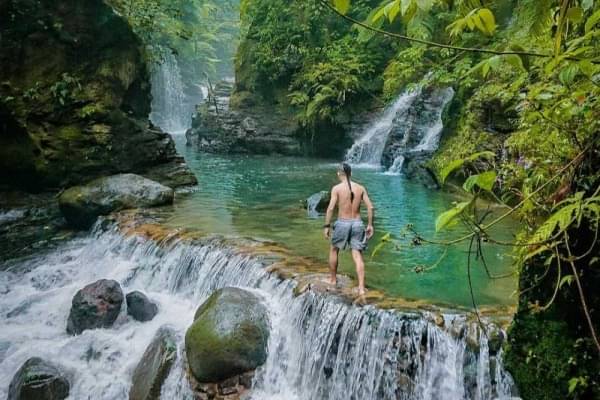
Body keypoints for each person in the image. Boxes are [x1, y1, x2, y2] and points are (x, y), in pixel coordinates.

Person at [323, 162, 374, 296]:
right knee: (357, 255)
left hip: (342, 223)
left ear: (339, 173)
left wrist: (327, 226)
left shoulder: (337, 188)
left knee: (334, 249)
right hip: (357, 223)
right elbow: (370, 207)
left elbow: (330, 208)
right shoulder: (361, 188)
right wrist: (370, 224)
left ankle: (333, 280)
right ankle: (361, 288)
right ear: (351, 173)